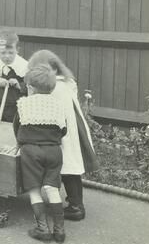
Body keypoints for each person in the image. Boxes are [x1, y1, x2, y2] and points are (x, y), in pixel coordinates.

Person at [28, 50, 99, 221]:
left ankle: (75, 207)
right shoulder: (66, 82)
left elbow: (46, 110)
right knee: (70, 167)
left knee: (68, 168)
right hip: (72, 128)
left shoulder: (55, 88)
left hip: (65, 131)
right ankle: (75, 204)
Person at [13, 64, 68, 243]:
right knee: (52, 188)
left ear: (30, 87)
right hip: (53, 151)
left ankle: (42, 229)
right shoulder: (58, 105)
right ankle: (59, 230)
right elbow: (63, 130)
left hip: (31, 151)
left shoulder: (23, 104)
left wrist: (21, 142)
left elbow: (17, 127)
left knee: (34, 189)